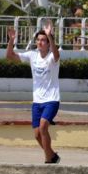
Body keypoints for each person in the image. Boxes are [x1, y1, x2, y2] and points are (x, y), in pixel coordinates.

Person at [6, 20, 61, 164]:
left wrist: (50, 36)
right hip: (37, 101)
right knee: (37, 134)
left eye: (44, 40)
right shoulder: (32, 55)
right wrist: (11, 40)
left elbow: (56, 54)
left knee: (43, 127)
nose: (40, 42)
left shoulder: (52, 57)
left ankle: (48, 159)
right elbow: (10, 56)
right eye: (39, 40)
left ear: (48, 43)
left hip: (52, 99)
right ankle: (52, 155)